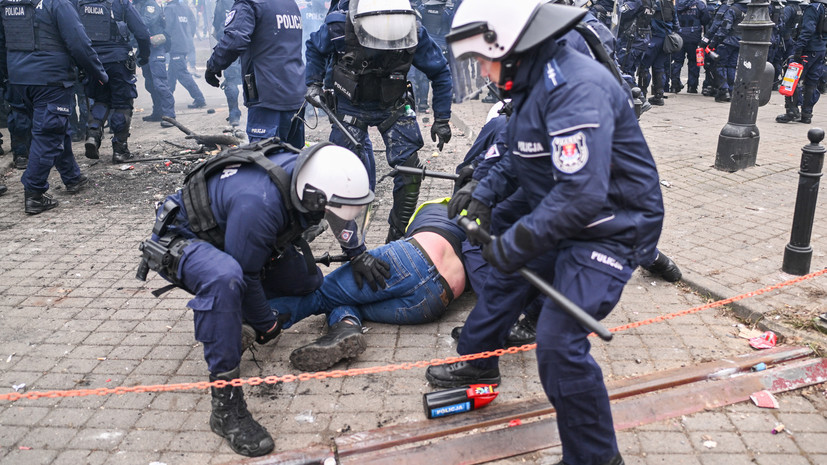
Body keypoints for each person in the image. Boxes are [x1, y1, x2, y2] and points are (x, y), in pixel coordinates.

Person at [426, 2, 665, 465]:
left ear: (515, 48)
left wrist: (513, 245)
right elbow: (523, 152)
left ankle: (595, 459)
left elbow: (580, 196)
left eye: (484, 58)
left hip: (610, 228)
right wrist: (483, 190)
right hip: (557, 208)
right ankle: (478, 365)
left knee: (559, 344)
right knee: (502, 281)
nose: (480, 69)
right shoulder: (533, 81)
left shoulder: (577, 88)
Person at [136, 140, 375, 457]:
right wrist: (267, 325)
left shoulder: (312, 174)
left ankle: (237, 320)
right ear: (311, 197)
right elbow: (245, 275)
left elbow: (337, 208)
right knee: (226, 277)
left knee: (307, 280)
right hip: (185, 240)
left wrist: (357, 254)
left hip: (235, 233)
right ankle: (225, 407)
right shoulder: (259, 203)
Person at [305, 0, 453, 243]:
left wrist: (443, 118)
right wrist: (313, 82)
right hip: (349, 104)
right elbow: (313, 48)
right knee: (340, 171)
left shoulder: (412, 29)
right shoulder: (338, 27)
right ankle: (349, 241)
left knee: (410, 172)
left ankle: (396, 238)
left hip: (392, 105)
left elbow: (440, 71)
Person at [0, 0, 108, 214]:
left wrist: (9, 75)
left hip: (21, 79)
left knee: (54, 127)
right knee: (48, 134)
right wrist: (98, 72)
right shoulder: (57, 3)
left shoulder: (8, 4)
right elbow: (79, 42)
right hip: (50, 78)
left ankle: (72, 177)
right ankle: (34, 193)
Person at [205, 0, 305, 145]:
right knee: (292, 161)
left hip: (268, 95)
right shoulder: (290, 3)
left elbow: (234, 41)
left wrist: (213, 66)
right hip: (295, 94)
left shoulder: (249, 3)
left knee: (264, 160)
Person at [80, 0, 151, 163]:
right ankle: (120, 150)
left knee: (100, 100)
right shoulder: (120, 2)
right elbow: (142, 32)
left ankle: (93, 134)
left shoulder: (79, 3)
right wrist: (144, 55)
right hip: (118, 61)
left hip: (92, 60)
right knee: (122, 103)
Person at [777, 0, 827, 124]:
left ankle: (791, 111)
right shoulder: (824, 8)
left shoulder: (813, 8)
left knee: (792, 78)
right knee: (811, 83)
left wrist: (799, 49)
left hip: (808, 49)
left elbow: (808, 30)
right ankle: (807, 114)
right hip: (820, 49)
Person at [135, 0, 177, 127]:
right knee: (150, 84)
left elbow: (145, 22)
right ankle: (158, 112)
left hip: (155, 47)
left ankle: (169, 115)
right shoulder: (136, 5)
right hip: (144, 49)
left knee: (160, 83)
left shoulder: (150, 5)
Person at [165, 0, 207, 109]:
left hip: (175, 45)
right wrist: (188, 37)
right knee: (171, 75)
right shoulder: (184, 6)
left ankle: (199, 98)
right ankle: (166, 100)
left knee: (182, 74)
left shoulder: (169, 8)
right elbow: (192, 22)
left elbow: (167, 28)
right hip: (184, 43)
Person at [707, 0, 749, 103]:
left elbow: (725, 27)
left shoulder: (733, 9)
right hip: (740, 41)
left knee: (720, 65)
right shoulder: (749, 10)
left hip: (727, 42)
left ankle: (723, 90)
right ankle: (731, 90)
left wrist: (714, 42)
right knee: (732, 66)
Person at [211, 0, 242, 127]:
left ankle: (234, 115)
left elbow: (217, 25)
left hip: (230, 44)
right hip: (249, 44)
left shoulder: (223, 2)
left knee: (231, 81)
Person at [669, 0, 709, 94]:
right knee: (694, 62)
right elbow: (706, 19)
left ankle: (674, 85)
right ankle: (692, 86)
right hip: (694, 36)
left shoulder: (676, 3)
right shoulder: (699, 4)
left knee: (677, 61)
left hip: (678, 36)